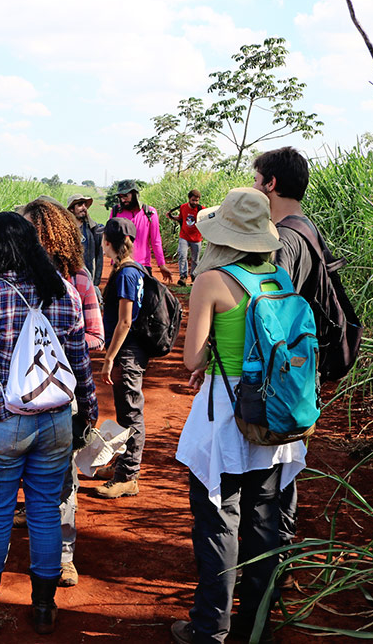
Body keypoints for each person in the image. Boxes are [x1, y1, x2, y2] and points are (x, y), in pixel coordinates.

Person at [0, 212, 98, 636]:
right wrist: (89, 408)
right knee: (46, 510)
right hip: (56, 420)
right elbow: (79, 360)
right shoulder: (63, 291)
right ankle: (44, 608)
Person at [171, 187, 307, 643]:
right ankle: (258, 625)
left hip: (226, 418)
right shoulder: (281, 279)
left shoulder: (211, 281)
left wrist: (210, 357)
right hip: (276, 418)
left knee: (218, 521)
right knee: (266, 523)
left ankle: (211, 628)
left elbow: (190, 359)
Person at [21, 196, 105, 588]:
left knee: (63, 481)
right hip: (27, 400)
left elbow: (96, 336)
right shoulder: (7, 282)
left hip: (58, 399)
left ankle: (63, 557)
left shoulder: (78, 282)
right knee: (39, 477)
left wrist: (55, 346)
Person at [251, 146, 315, 583]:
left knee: (272, 485)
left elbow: (274, 316)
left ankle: (270, 577)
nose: (256, 187)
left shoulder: (284, 240)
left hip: (284, 378)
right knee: (283, 477)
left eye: (257, 181)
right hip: (300, 373)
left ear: (271, 184)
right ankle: (279, 568)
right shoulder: (306, 229)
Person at [96, 217, 148, 499]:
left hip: (127, 352)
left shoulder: (127, 273)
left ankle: (128, 476)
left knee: (130, 413)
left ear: (108, 242)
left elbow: (125, 321)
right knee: (124, 410)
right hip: (127, 351)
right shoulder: (129, 269)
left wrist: (109, 358)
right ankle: (121, 466)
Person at [109, 180, 174, 283]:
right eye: (120, 197)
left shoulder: (149, 213)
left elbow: (155, 240)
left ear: (134, 194)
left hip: (142, 266)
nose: (123, 199)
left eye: (125, 196)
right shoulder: (116, 211)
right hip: (121, 265)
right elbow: (110, 236)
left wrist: (162, 265)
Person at [166, 189, 204, 286]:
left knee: (195, 259)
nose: (195, 202)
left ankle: (194, 277)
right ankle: (183, 277)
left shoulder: (201, 209)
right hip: (184, 236)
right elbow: (181, 218)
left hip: (196, 238)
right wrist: (171, 217)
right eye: (193, 200)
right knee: (182, 255)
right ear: (189, 199)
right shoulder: (183, 207)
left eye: (197, 200)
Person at [67, 194, 104, 286]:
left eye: (84, 205)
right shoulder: (65, 229)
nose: (84, 208)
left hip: (88, 278)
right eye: (79, 205)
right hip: (70, 279)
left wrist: (96, 282)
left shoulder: (93, 228)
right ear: (71, 209)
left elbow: (99, 256)